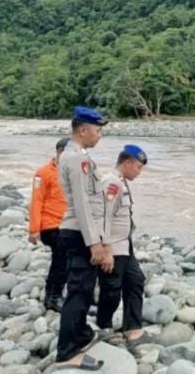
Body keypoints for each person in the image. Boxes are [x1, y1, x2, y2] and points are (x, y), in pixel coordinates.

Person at [54, 106, 111, 371]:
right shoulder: (77, 159)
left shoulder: (76, 155)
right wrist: (95, 242)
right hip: (79, 233)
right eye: (97, 130)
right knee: (78, 292)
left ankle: (81, 335)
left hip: (77, 231)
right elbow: (83, 203)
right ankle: (67, 352)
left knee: (84, 289)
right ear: (83, 130)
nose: (99, 135)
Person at [96, 145, 154, 346]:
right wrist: (105, 250)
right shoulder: (111, 183)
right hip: (113, 247)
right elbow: (102, 217)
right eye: (138, 167)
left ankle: (133, 328)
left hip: (125, 246)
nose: (139, 172)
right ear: (127, 163)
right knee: (111, 289)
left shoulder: (121, 182)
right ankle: (104, 327)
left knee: (136, 280)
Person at [27, 137, 70, 312]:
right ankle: (53, 297)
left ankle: (55, 294)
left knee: (63, 260)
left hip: (68, 224)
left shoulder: (73, 172)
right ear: (60, 152)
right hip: (50, 225)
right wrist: (34, 230)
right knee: (62, 257)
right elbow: (36, 201)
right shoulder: (43, 173)